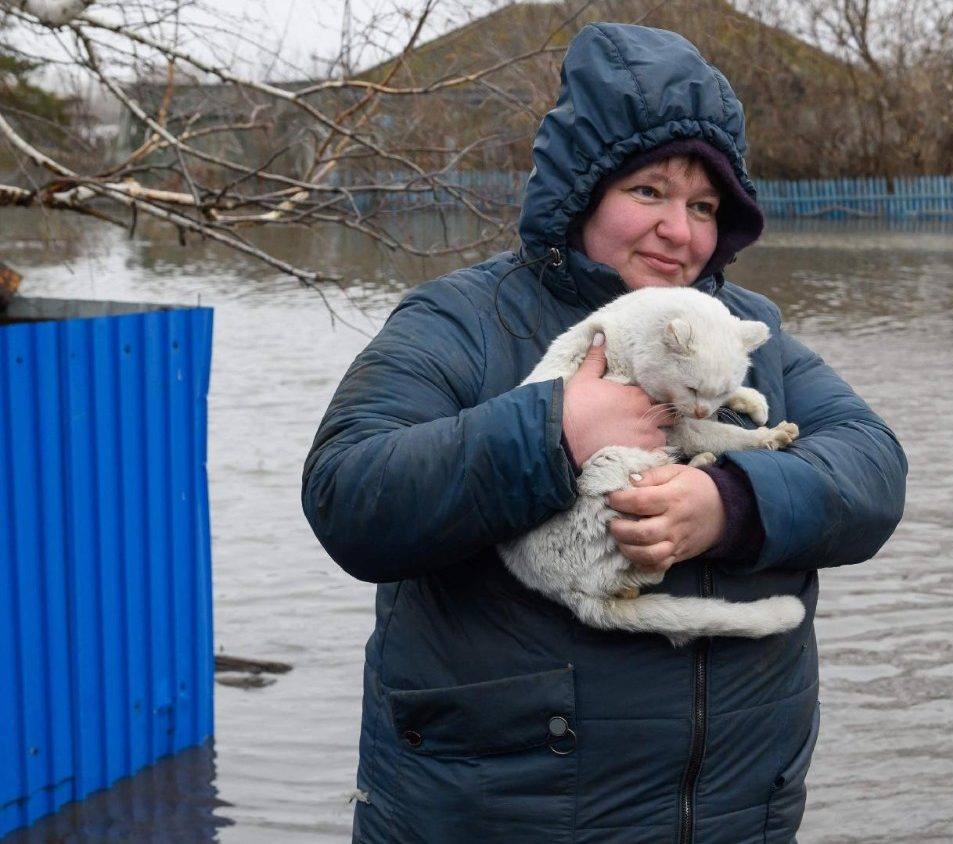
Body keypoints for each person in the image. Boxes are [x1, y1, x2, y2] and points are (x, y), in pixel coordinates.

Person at [301, 22, 907, 843]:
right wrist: (554, 431)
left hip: (734, 816)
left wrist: (729, 501)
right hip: (508, 816)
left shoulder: (742, 331)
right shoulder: (463, 320)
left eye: (702, 206)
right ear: (579, 190)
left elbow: (872, 468)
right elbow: (348, 492)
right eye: (648, 193)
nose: (680, 231)